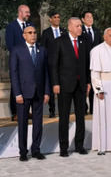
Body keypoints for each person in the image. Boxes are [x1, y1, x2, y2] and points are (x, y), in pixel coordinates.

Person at [49, 17, 91, 157]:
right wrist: (55, 83)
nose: (81, 28)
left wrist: (88, 82)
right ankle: (64, 148)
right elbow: (53, 65)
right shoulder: (59, 42)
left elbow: (86, 64)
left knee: (81, 117)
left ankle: (79, 145)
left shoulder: (83, 41)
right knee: (64, 118)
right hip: (64, 85)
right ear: (70, 27)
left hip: (81, 86)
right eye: (78, 26)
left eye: (81, 26)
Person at [9, 26, 50, 162]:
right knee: (22, 123)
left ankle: (36, 150)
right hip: (23, 93)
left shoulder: (42, 50)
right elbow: (13, 74)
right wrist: (17, 93)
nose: (33, 35)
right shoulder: (17, 50)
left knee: (38, 122)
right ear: (24, 35)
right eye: (30, 33)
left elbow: (46, 73)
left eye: (34, 32)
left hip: (39, 93)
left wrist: (46, 91)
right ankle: (23, 151)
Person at [5, 4, 33, 121]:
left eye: (29, 12)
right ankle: (15, 112)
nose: (29, 14)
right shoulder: (11, 27)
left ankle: (27, 111)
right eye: (27, 12)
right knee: (16, 86)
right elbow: (10, 45)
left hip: (30, 61)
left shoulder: (30, 26)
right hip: (17, 61)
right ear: (20, 12)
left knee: (29, 85)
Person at [40, 10, 65, 117]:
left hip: (63, 64)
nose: (57, 19)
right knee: (51, 87)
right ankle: (52, 110)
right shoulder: (46, 33)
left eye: (58, 17)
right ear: (50, 19)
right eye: (55, 17)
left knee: (63, 87)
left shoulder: (64, 31)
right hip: (51, 64)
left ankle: (63, 109)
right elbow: (43, 48)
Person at [81, 11, 102, 115]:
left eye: (91, 17)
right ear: (83, 19)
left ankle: (94, 108)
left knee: (94, 84)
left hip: (95, 63)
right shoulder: (80, 31)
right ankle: (84, 108)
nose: (90, 19)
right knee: (85, 85)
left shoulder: (97, 31)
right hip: (84, 63)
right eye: (88, 17)